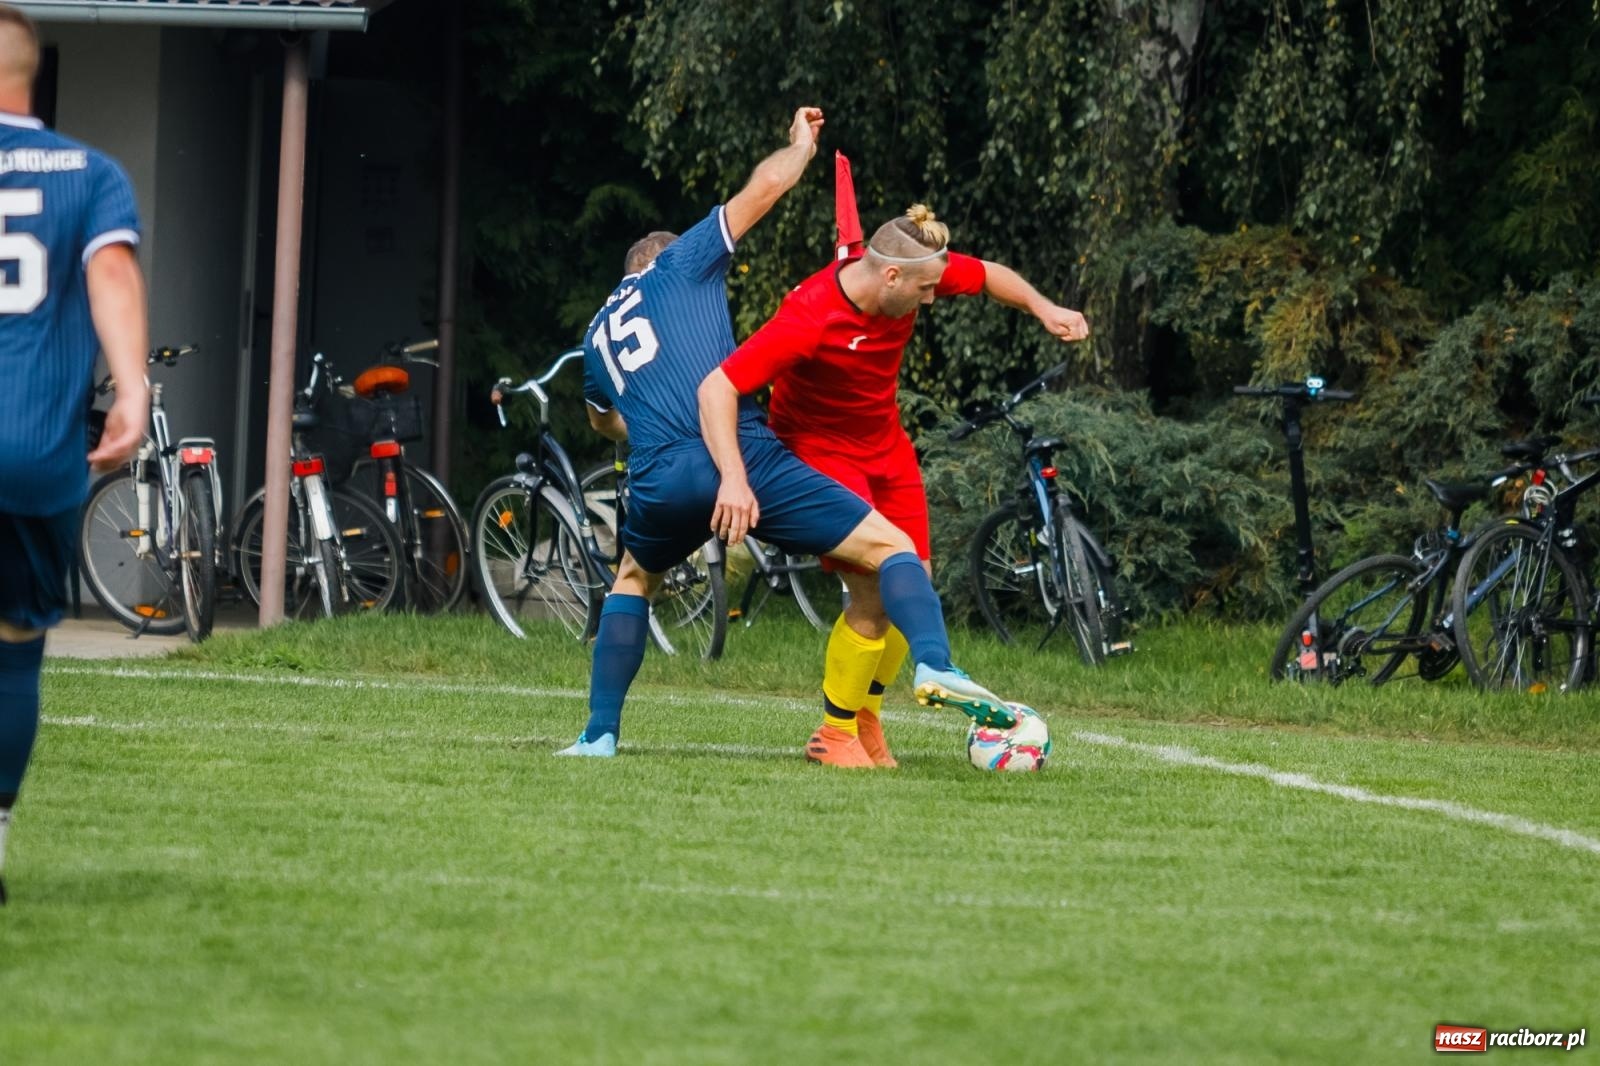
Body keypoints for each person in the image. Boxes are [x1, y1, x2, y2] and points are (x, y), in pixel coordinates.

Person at [560, 108, 1018, 759]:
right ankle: (934, 664)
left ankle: (598, 736)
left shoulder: (596, 334)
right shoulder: (680, 263)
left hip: (662, 472)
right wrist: (801, 147)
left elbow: (606, 420)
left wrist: (644, 435)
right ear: (668, 255)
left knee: (634, 578)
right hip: (741, 454)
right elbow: (764, 189)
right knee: (890, 546)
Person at [702, 204, 1088, 768]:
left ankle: (866, 719)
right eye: (925, 290)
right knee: (870, 590)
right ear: (890, 276)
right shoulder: (809, 315)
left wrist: (1043, 306)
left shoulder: (914, 268)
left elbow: (985, 274)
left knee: (914, 588)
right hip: (820, 453)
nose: (932, 298)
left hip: (887, 448)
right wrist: (734, 477)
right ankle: (832, 734)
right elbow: (719, 386)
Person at [0, 4, 151, 904]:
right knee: (15, 646)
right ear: (32, 73)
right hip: (29, 451)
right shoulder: (90, 175)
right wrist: (131, 389)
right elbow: (112, 277)